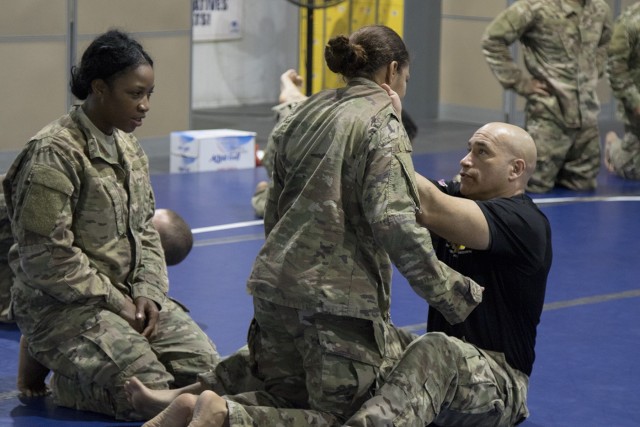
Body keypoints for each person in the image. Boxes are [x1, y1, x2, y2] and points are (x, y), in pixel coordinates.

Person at [128, 24, 483, 427]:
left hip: (274, 286)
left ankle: (192, 406)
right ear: (392, 71)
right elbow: (395, 223)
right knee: (343, 415)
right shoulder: (383, 123)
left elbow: (272, 206)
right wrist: (453, 295)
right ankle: (224, 415)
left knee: (286, 394)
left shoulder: (308, 111)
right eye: (405, 78)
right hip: (337, 301)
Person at [2, 30, 220, 421]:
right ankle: (64, 379)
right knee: (145, 390)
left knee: (210, 374)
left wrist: (148, 295)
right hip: (63, 309)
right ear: (99, 88)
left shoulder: (130, 148)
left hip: (126, 301)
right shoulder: (53, 154)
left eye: (149, 93)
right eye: (135, 94)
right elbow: (46, 259)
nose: (146, 105)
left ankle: (89, 370)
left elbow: (146, 233)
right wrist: (118, 303)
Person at [343, 122, 552, 426]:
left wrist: (383, 138)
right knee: (359, 332)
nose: (466, 160)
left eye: (482, 153)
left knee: (436, 349)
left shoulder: (524, 222)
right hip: (450, 369)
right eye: (469, 149)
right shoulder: (463, 194)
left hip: (500, 384)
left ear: (515, 170)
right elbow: (403, 191)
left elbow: (428, 205)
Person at [482, 0, 612, 193]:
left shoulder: (599, 8)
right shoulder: (535, 6)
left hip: (586, 118)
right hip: (549, 116)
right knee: (533, 185)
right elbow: (492, 39)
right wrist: (520, 82)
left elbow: (605, 42)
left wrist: (593, 70)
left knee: (583, 185)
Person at [252, 69, 419, 218]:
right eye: (406, 78)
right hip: (288, 150)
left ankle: (292, 98)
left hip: (301, 132)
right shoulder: (373, 150)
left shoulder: (358, 116)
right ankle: (291, 98)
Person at [604, 2, 640, 180]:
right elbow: (616, 68)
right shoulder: (630, 22)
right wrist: (636, 103)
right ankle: (614, 145)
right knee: (633, 169)